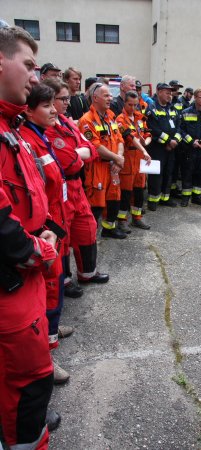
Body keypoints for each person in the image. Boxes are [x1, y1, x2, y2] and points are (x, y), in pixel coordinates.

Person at [0, 26, 59, 450]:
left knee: (28, 379)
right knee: (26, 378)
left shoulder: (10, 124)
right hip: (13, 277)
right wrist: (34, 246)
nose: (35, 78)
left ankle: (28, 429)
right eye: (29, 65)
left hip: (26, 274)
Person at [20, 83, 71, 384]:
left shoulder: (40, 136)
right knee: (47, 293)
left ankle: (53, 334)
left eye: (56, 103)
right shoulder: (26, 141)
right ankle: (47, 356)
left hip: (53, 222)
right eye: (47, 105)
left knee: (56, 287)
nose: (54, 110)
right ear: (28, 110)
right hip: (42, 229)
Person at [43, 78, 109, 291]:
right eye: (63, 99)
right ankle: (65, 280)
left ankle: (87, 273)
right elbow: (68, 162)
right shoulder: (47, 128)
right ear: (50, 100)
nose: (67, 103)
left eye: (68, 98)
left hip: (76, 188)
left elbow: (90, 149)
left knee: (87, 228)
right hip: (58, 191)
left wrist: (78, 154)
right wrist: (80, 154)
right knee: (63, 236)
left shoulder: (67, 122)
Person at [78, 82, 127, 238]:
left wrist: (118, 159)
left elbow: (120, 139)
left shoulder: (111, 117)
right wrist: (117, 159)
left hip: (113, 167)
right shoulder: (86, 120)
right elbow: (95, 147)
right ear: (95, 98)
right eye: (106, 95)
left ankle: (109, 229)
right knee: (96, 204)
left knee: (114, 200)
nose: (110, 98)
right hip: (97, 168)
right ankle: (90, 235)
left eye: (110, 95)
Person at [116, 90, 152, 232]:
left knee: (139, 190)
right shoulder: (120, 119)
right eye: (130, 105)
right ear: (124, 103)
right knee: (125, 192)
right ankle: (122, 220)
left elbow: (148, 134)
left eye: (135, 105)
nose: (132, 108)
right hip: (128, 158)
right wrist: (143, 148)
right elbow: (130, 137)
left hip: (141, 159)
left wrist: (146, 142)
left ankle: (136, 218)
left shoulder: (140, 117)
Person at [146, 82, 182, 211]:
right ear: (159, 92)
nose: (169, 95)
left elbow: (179, 126)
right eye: (167, 92)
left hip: (171, 148)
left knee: (169, 172)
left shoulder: (172, 108)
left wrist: (175, 141)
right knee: (156, 175)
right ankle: (153, 200)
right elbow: (153, 129)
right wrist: (168, 141)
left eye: (170, 93)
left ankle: (165, 198)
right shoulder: (152, 108)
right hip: (157, 148)